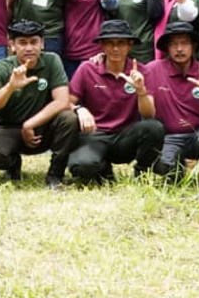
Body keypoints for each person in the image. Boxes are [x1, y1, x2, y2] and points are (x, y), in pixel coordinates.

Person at [0, 20, 77, 189]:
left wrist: (29, 124)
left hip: (43, 127)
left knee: (69, 118)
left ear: (42, 43)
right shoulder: (0, 67)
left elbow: (62, 100)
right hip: (9, 128)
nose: (29, 48)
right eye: (22, 43)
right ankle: (12, 164)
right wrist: (10, 87)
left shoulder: (52, 60)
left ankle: (55, 174)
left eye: (34, 42)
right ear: (12, 45)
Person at [67, 20, 164, 183]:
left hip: (125, 137)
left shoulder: (141, 71)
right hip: (95, 135)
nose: (115, 48)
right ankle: (103, 170)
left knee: (154, 128)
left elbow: (149, 114)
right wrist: (79, 109)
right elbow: (65, 102)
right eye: (110, 43)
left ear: (129, 45)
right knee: (83, 167)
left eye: (121, 43)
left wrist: (141, 91)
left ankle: (142, 173)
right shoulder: (87, 69)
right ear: (102, 46)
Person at [142, 21, 199, 189]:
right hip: (168, 138)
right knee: (167, 172)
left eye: (184, 43)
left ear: (194, 46)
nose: (179, 49)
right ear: (167, 48)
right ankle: (176, 169)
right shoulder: (152, 69)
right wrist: (100, 58)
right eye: (174, 44)